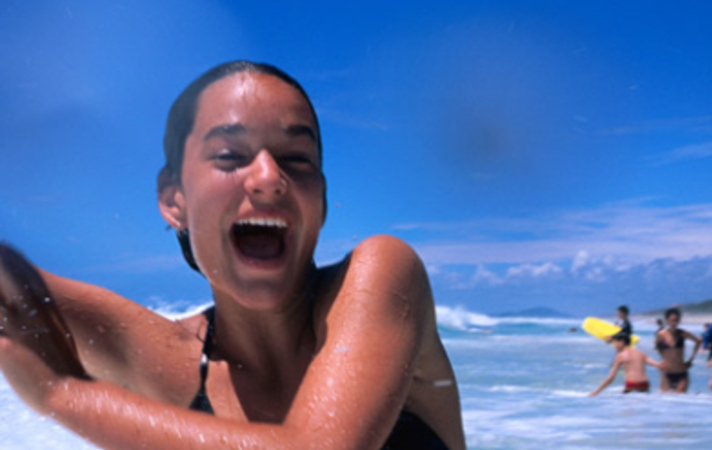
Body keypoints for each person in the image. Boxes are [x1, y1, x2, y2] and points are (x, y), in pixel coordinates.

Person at [0, 61, 466, 450]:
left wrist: (63, 395)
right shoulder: (170, 359)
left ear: (321, 202)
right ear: (174, 199)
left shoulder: (384, 276)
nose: (269, 178)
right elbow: (14, 284)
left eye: (296, 158)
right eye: (229, 155)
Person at [589, 332, 662, 396]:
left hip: (632, 385)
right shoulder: (640, 353)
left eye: (616, 342)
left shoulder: (620, 356)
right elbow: (657, 365)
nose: (614, 345)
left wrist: (596, 392)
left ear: (622, 342)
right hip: (644, 385)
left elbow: (611, 377)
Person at [654, 308, 700, 393]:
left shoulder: (682, 333)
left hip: (681, 372)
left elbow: (698, 342)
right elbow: (657, 347)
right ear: (667, 320)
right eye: (672, 320)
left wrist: (691, 360)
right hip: (666, 373)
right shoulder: (660, 334)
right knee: (665, 399)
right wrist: (663, 359)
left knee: (680, 399)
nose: (674, 323)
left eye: (676, 320)